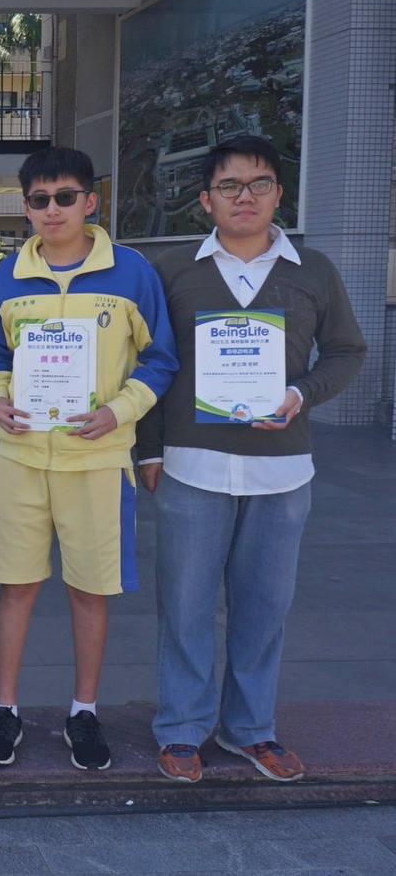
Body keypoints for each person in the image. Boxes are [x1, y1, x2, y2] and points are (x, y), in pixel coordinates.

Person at [138, 136, 366, 784]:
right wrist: (147, 448)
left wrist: (302, 393)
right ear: (205, 200)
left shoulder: (312, 270)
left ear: (278, 194)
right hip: (190, 464)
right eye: (230, 186)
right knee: (183, 606)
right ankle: (182, 728)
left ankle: (249, 728)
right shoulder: (171, 270)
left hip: (281, 469)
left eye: (259, 183)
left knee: (264, 609)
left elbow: (346, 351)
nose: (245, 196)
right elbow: (149, 362)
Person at [0, 147, 176, 771]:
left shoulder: (132, 272)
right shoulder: (8, 275)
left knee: (90, 592)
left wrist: (119, 412)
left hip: (97, 460)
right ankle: (5, 709)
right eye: (39, 199)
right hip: (20, 458)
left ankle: (83, 711)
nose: (53, 209)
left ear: (91, 202)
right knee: (16, 588)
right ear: (26, 207)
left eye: (66, 196)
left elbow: (160, 359)